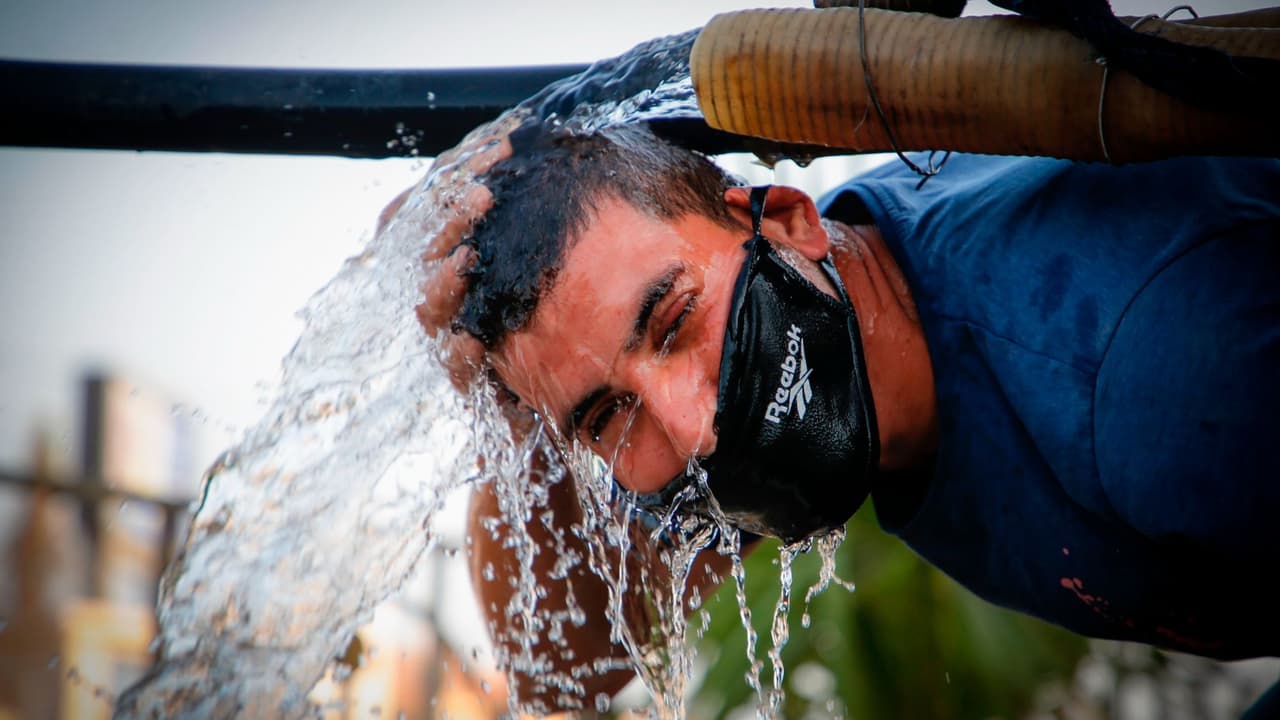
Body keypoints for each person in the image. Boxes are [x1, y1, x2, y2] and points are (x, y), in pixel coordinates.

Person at [384, 111, 1280, 713]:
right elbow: (568, 667)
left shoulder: (1149, 368)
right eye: (603, 414)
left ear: (785, 220)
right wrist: (516, 419)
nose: (692, 429)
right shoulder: (780, 364)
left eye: (674, 319)